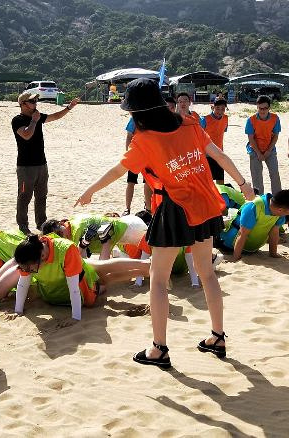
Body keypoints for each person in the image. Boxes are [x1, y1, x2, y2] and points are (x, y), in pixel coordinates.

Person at [75, 78, 254, 368]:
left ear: (138, 113)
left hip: (176, 209)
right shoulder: (191, 123)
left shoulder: (144, 140)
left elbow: (119, 170)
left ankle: (159, 349)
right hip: (206, 204)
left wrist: (90, 191)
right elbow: (219, 156)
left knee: (158, 278)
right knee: (207, 273)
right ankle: (218, 336)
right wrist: (243, 184)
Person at [12, 234, 150, 320]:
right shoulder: (29, 254)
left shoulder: (64, 249)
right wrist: (18, 311)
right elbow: (23, 283)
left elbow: (74, 289)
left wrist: (75, 318)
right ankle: (144, 269)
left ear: (41, 256)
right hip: (73, 276)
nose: (29, 272)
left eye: (31, 269)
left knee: (105, 277)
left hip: (84, 284)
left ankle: (146, 268)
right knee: (104, 274)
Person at [12, 91, 80, 234]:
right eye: (32, 101)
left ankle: (41, 223)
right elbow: (26, 135)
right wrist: (34, 121)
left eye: (36, 101)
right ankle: (23, 225)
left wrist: (69, 107)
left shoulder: (37, 116)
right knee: (24, 197)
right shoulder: (17, 120)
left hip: (41, 164)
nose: (35, 104)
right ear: (23, 104)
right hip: (25, 166)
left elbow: (55, 116)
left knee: (41, 196)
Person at [123, 97, 175, 215]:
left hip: (150, 158)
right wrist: (127, 153)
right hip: (135, 155)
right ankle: (127, 207)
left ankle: (149, 207)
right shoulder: (134, 120)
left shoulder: (155, 120)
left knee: (148, 182)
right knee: (131, 181)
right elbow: (128, 136)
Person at [220, 190, 289, 261]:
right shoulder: (253, 207)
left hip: (252, 250)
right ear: (280, 210)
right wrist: (235, 258)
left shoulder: (279, 213)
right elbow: (242, 234)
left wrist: (273, 254)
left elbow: (274, 233)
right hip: (230, 246)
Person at [40, 213, 147, 260]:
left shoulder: (77, 228)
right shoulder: (73, 223)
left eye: (60, 233)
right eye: (58, 237)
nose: (62, 238)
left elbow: (76, 257)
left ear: (61, 224)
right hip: (128, 226)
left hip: (132, 229)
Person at [245, 95, 282, 194]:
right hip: (254, 149)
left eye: (265, 108)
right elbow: (251, 139)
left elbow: (276, 136)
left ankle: (278, 197)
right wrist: (258, 153)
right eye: (260, 108)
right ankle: (259, 198)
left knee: (274, 173)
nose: (263, 111)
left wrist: (268, 151)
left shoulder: (275, 118)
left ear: (269, 108)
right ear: (257, 107)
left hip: (270, 148)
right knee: (256, 175)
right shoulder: (251, 120)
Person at [201, 98, 230, 184]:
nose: (220, 111)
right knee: (207, 181)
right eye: (217, 108)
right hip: (206, 155)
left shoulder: (225, 118)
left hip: (219, 153)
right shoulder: (204, 120)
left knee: (220, 181)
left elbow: (222, 131)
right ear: (212, 107)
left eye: (223, 109)